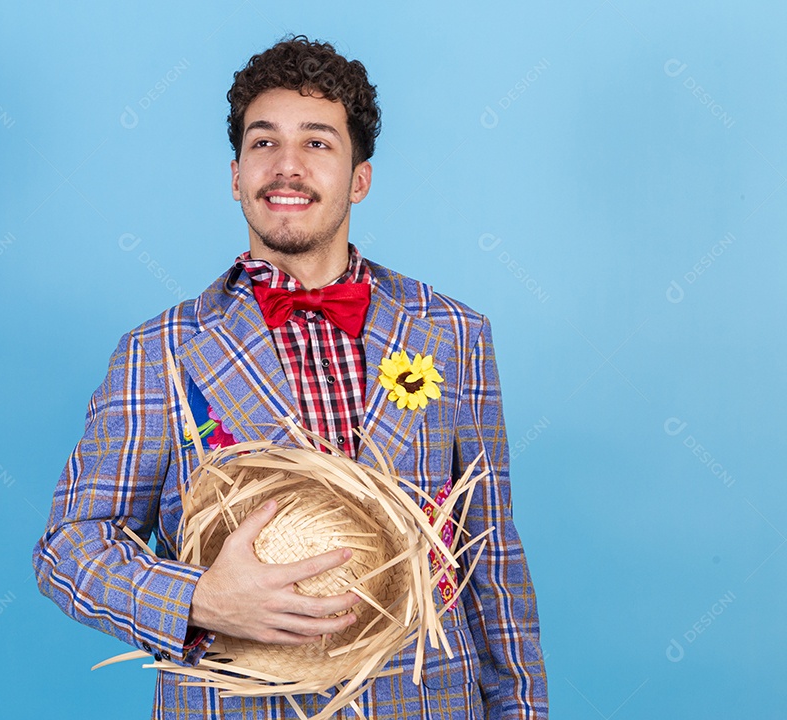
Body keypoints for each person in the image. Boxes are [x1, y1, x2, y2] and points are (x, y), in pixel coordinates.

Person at [33, 35, 548, 719]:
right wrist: (197, 601)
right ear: (237, 174)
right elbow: (69, 548)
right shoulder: (158, 352)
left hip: (425, 703)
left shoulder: (452, 335)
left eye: (317, 143)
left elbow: (494, 563)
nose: (287, 166)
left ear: (359, 177)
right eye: (263, 143)